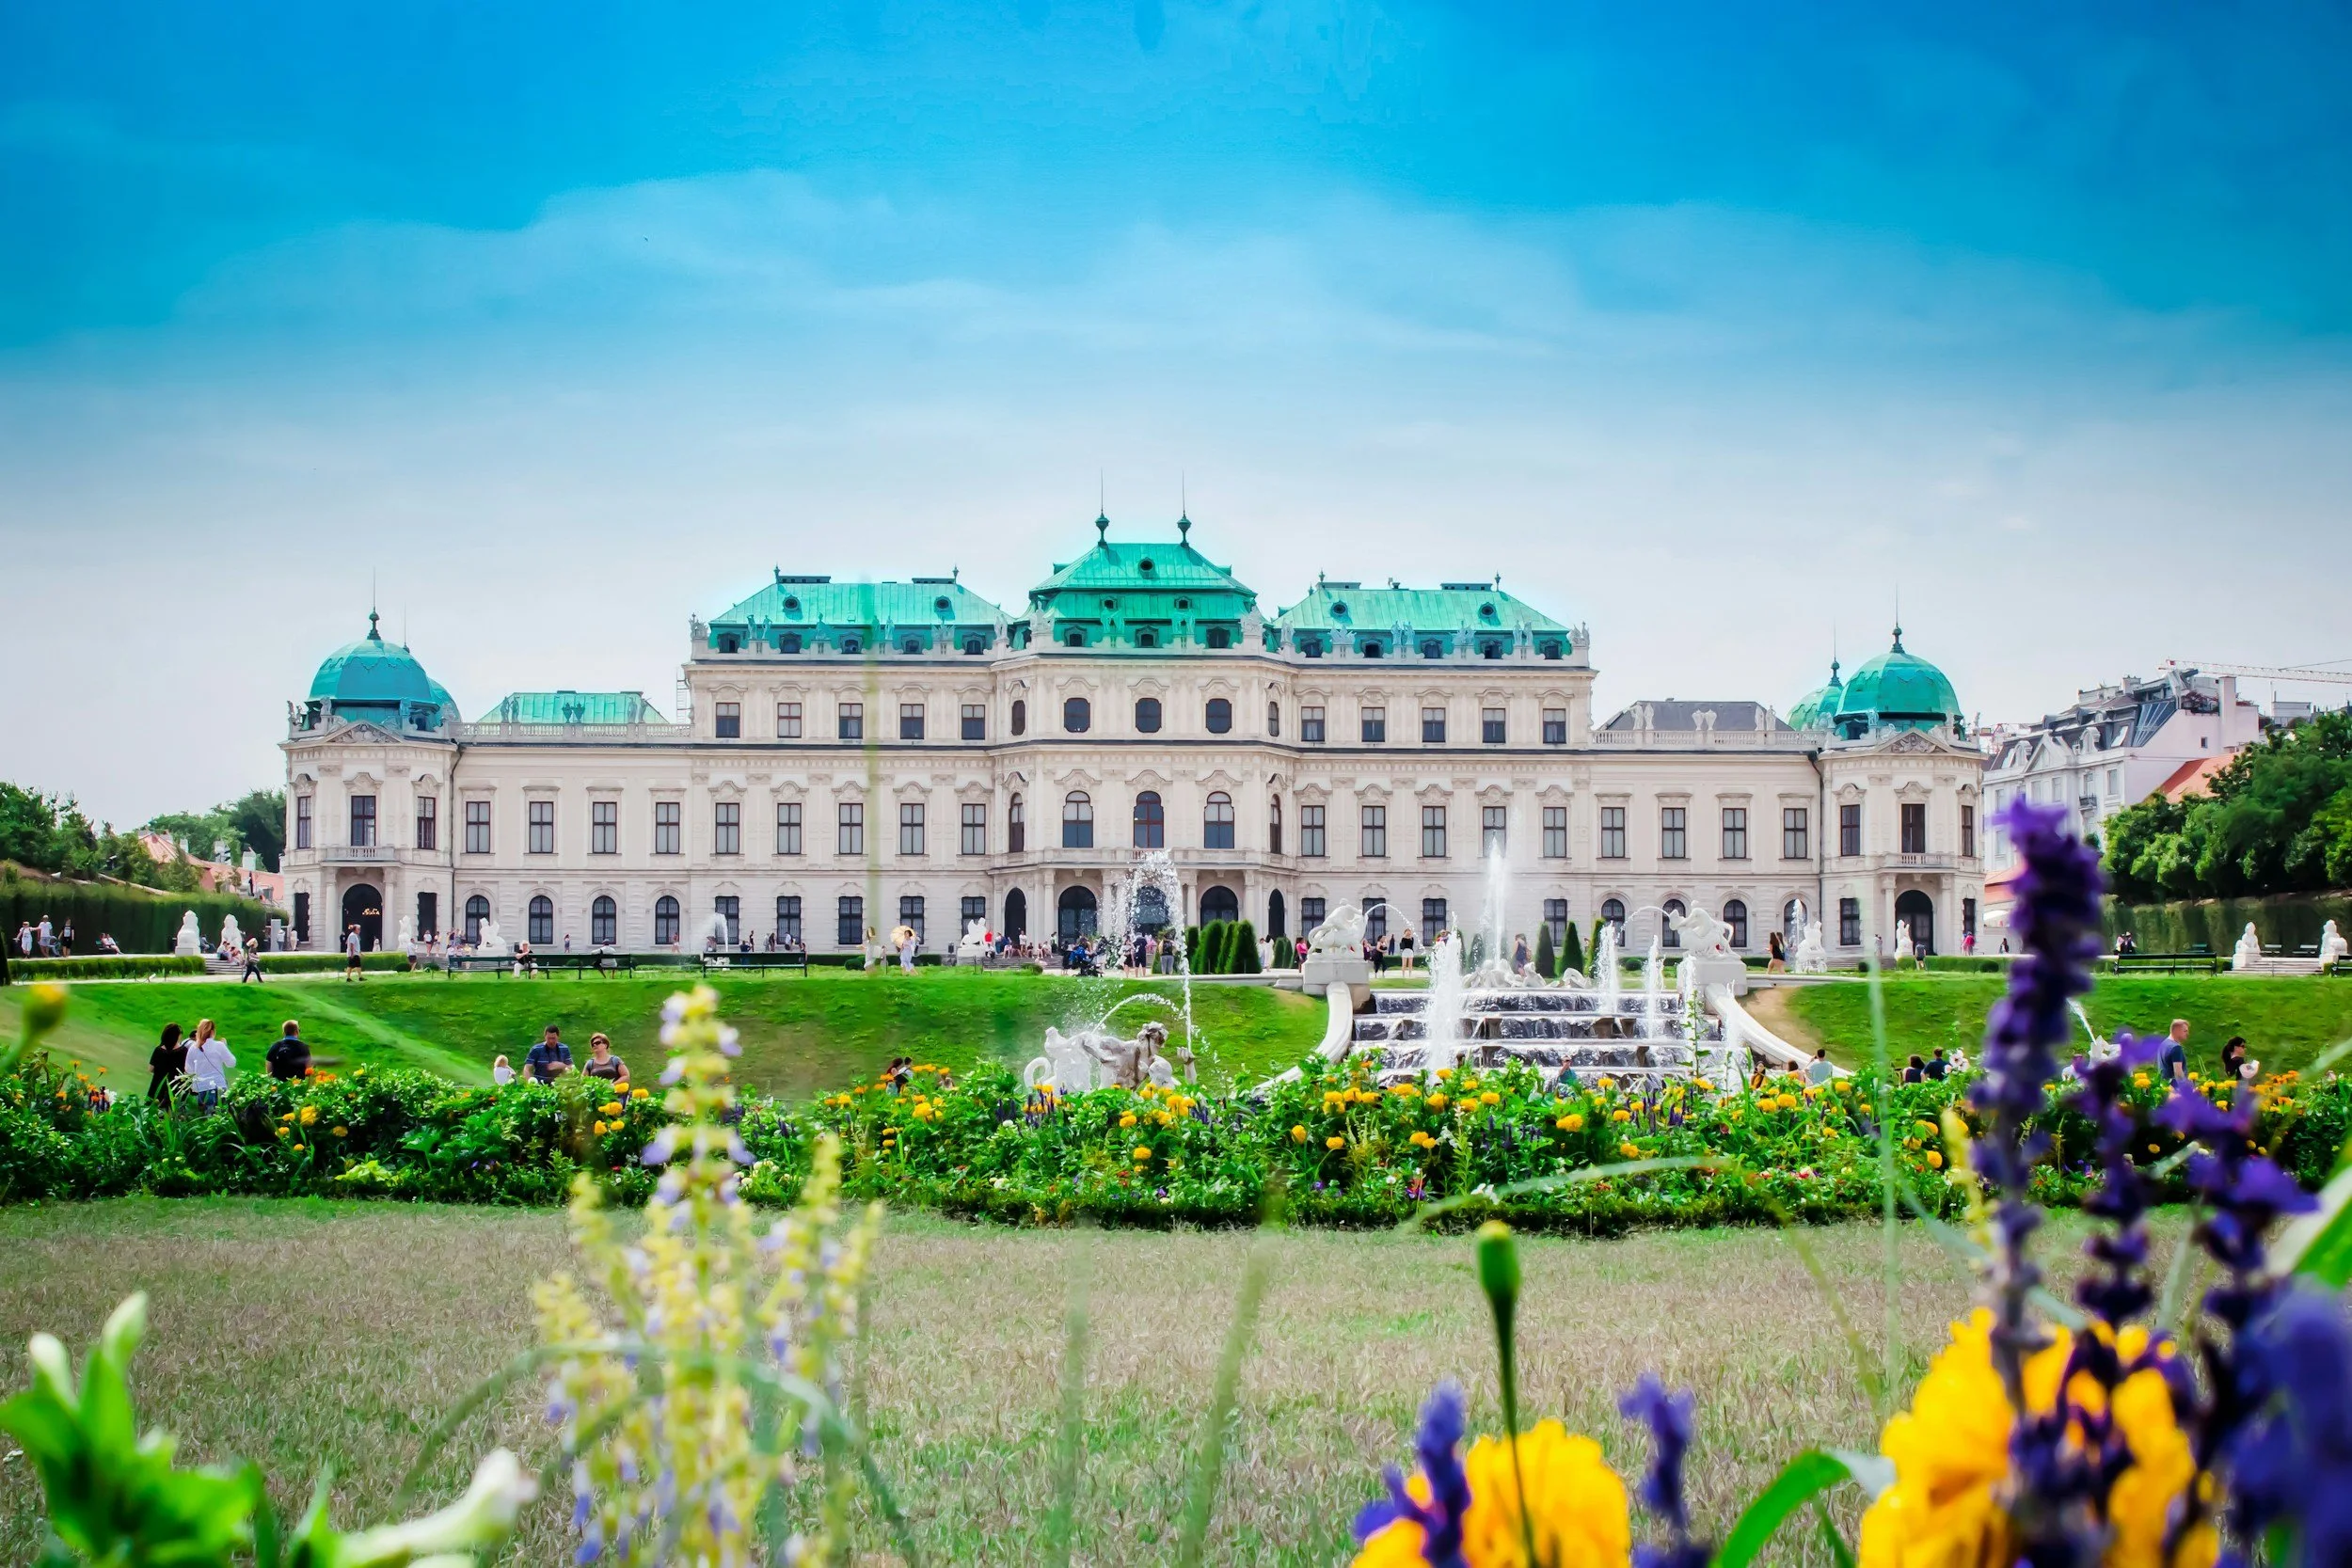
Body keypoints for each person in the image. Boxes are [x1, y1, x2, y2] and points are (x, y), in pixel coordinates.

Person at [185, 1020, 234, 1111]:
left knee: (204, 1117)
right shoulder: (219, 1045)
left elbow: (188, 1069)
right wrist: (225, 1048)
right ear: (212, 1032)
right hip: (218, 1085)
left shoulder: (193, 1048)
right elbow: (231, 1063)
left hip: (201, 1087)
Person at [147, 1022, 187, 1105]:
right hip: (173, 1089)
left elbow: (150, 1069)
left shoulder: (158, 1050)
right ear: (177, 1036)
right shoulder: (183, 1051)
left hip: (156, 1087)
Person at [2159, 1019, 2190, 1083]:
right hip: (2174, 1089)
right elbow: (2178, 1074)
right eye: (2185, 1031)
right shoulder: (2176, 1048)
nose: (2188, 1033)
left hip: (2164, 1086)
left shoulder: (2164, 1044)